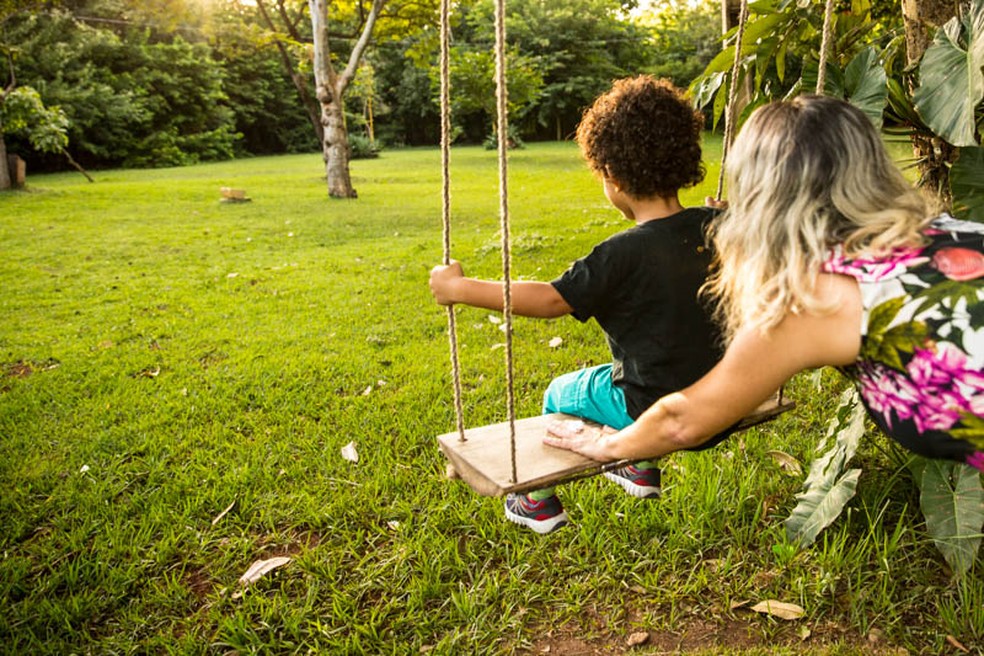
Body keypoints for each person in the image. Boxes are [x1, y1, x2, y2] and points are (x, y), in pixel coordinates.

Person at [543, 94, 984, 475]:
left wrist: (609, 447)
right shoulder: (959, 234)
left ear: (759, 191)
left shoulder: (813, 300)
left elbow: (684, 421)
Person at [429, 76, 729, 534]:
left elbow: (550, 298)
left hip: (649, 409)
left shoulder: (621, 253)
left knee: (560, 393)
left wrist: (461, 288)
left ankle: (538, 503)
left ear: (611, 176)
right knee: (613, 374)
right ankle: (634, 465)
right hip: (724, 399)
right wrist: (719, 214)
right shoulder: (719, 226)